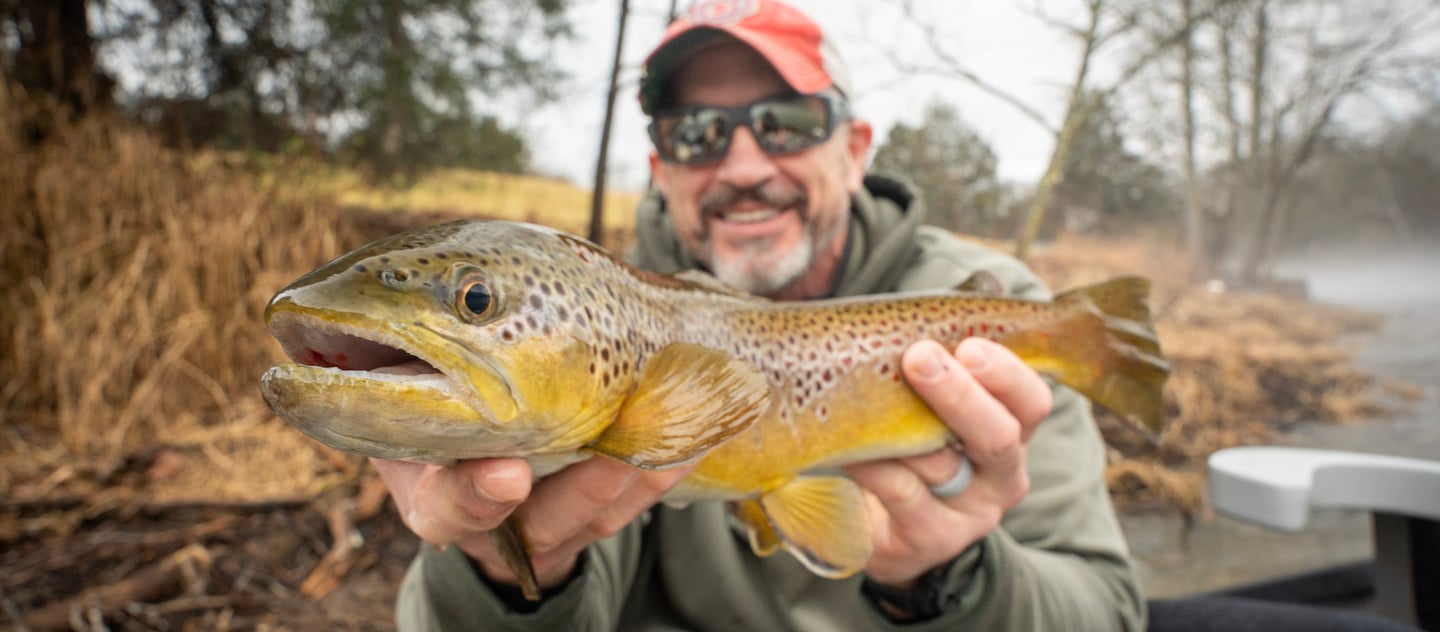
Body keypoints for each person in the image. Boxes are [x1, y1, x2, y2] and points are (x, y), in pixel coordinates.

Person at [372, 1, 1146, 629]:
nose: (743, 166)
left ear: (855, 149)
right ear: (660, 170)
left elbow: (1109, 612)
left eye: (789, 122)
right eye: (697, 133)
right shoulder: (588, 325)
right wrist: (501, 575)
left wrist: (949, 578)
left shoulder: (1009, 312)